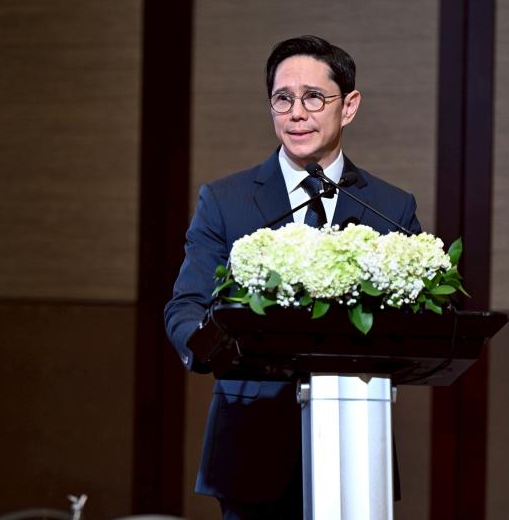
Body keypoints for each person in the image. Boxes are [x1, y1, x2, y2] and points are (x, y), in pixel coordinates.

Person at [164, 35, 421, 519]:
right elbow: (186, 306)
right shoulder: (226, 200)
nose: (296, 113)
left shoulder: (390, 207)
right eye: (283, 99)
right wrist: (206, 345)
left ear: (349, 106)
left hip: (355, 448)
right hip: (251, 447)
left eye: (313, 98)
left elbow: (421, 317)